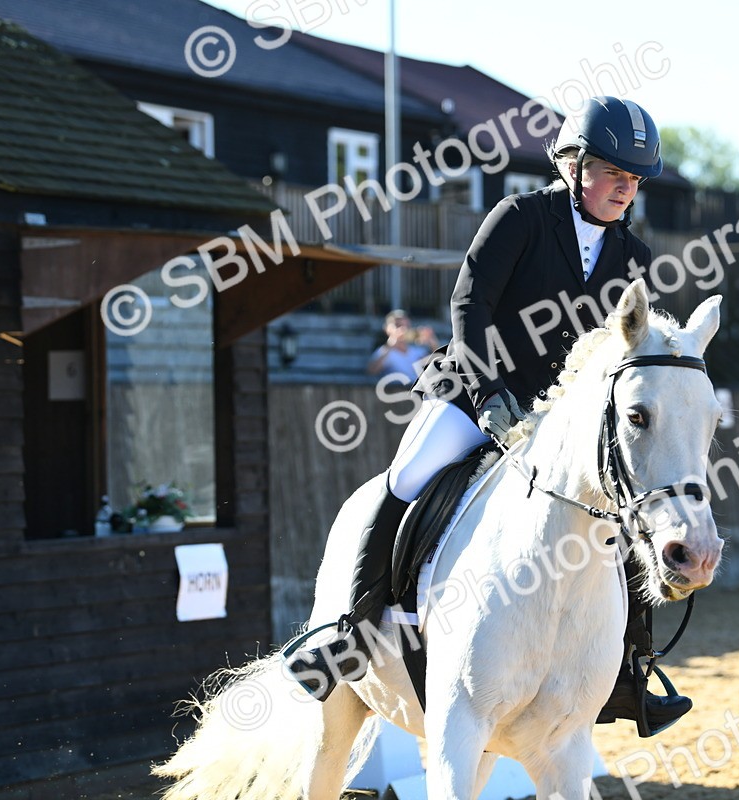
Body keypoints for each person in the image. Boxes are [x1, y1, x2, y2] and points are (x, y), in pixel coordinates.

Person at [290, 97, 692, 733]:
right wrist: (490, 398)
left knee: (616, 517)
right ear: (575, 165)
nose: (625, 188)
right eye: (614, 172)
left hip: (562, 423)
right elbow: (469, 308)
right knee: (407, 479)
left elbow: (626, 350)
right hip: (476, 391)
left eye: (635, 179)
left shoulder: (633, 257)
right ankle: (349, 631)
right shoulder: (520, 218)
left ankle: (630, 670)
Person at [366, 309, 437, 382]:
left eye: (406, 325)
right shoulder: (384, 352)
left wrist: (432, 342)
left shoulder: (417, 352)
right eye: (398, 325)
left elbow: (439, 365)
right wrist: (391, 345)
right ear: (387, 329)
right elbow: (371, 372)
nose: (403, 329)